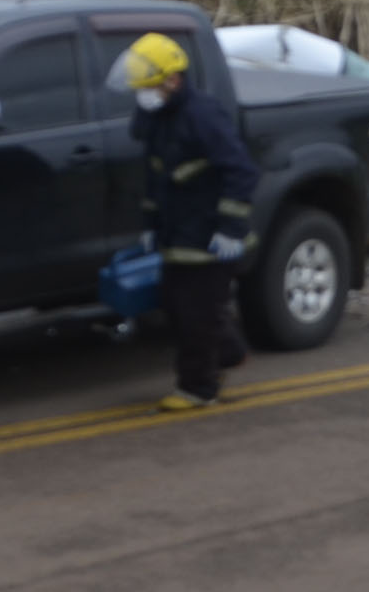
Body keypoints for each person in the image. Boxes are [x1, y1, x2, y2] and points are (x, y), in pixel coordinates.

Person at [110, 33, 261, 411]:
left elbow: (241, 171)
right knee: (177, 307)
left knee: (197, 315)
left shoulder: (202, 116)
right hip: (178, 233)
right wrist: (150, 223)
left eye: (148, 87)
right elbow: (155, 176)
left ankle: (198, 388)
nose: (142, 95)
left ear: (173, 81)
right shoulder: (156, 118)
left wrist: (230, 229)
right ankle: (227, 353)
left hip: (210, 238)